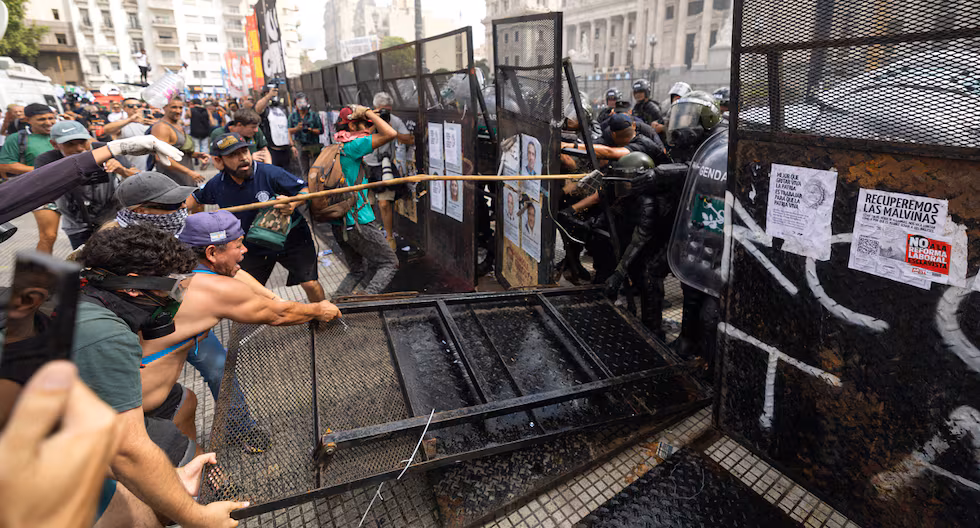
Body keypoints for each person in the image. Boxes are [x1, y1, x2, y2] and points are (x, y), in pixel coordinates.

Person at [75, 225, 247, 526]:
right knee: (142, 516)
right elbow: (128, 451)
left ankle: (180, 482)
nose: (176, 296)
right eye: (171, 286)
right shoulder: (105, 334)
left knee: (182, 400)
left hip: (71, 411)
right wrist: (197, 518)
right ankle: (183, 502)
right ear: (132, 286)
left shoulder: (87, 288)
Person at [138, 211, 340, 451]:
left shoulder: (184, 263)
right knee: (168, 435)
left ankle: (236, 432)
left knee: (191, 397)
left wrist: (274, 298)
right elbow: (279, 315)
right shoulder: (216, 289)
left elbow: (237, 273)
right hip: (136, 394)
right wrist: (318, 309)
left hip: (157, 361)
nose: (245, 250)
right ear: (212, 252)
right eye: (238, 245)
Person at [188, 132, 326, 302]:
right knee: (246, 292)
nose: (243, 158)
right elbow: (194, 199)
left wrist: (293, 202)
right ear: (218, 161)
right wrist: (178, 214)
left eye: (244, 151)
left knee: (310, 283)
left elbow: (305, 189)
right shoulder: (217, 184)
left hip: (292, 239)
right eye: (233, 155)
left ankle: (325, 315)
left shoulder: (270, 173)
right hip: (252, 246)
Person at [323, 105, 398, 295]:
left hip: (339, 224)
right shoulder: (353, 146)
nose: (369, 129)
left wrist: (368, 117)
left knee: (358, 270)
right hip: (358, 222)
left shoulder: (336, 146)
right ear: (353, 126)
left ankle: (337, 305)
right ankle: (366, 301)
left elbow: (374, 133)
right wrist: (368, 112)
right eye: (366, 124)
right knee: (389, 263)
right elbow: (390, 133)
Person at [33, 120, 138, 248]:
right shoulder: (47, 160)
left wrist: (122, 170)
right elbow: (40, 190)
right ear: (55, 144)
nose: (79, 148)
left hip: (111, 218)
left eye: (83, 142)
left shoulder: (106, 151)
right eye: (70, 144)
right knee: (81, 256)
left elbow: (140, 178)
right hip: (77, 222)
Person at [0, 103, 58, 252]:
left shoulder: (62, 133)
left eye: (51, 118)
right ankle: (41, 267)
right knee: (49, 236)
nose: (48, 122)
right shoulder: (16, 138)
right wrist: (44, 170)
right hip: (41, 192)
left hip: (72, 189)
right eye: (41, 119)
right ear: (27, 120)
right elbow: (5, 165)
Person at [363, 92, 413, 249]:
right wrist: (374, 122)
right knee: (368, 203)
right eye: (382, 110)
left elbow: (409, 139)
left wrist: (392, 131)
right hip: (366, 165)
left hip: (384, 165)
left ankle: (390, 238)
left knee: (384, 203)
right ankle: (372, 237)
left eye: (388, 110)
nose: (385, 113)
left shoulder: (394, 120)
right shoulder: (367, 120)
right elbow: (361, 136)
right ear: (375, 108)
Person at [106, 170, 196, 234]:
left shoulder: (182, 231)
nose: (184, 206)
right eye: (174, 204)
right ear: (141, 211)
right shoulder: (119, 247)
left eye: (183, 200)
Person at [149, 96, 210, 185]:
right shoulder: (161, 127)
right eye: (174, 107)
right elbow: (161, 157)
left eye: (180, 107)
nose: (178, 111)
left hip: (186, 179)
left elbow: (177, 151)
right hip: (172, 182)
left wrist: (196, 155)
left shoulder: (177, 124)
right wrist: (189, 172)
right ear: (164, 107)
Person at [105, 97, 152, 169]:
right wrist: (130, 120)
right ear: (124, 108)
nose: (135, 108)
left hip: (151, 169)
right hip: (131, 169)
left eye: (138, 106)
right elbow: (106, 129)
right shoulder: (122, 124)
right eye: (131, 106)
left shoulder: (150, 123)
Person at [256, 86, 293, 169]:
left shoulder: (282, 109)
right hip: (272, 150)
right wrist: (268, 96)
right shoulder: (265, 110)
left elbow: (286, 127)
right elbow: (258, 109)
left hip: (285, 149)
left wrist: (292, 145)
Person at [287, 93, 323, 175]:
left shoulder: (314, 115)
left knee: (315, 169)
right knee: (304, 170)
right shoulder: (292, 116)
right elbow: (288, 131)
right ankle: (307, 182)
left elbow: (320, 130)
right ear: (295, 105)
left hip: (313, 145)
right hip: (300, 145)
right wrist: (297, 129)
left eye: (303, 102)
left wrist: (311, 130)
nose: (302, 104)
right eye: (299, 102)